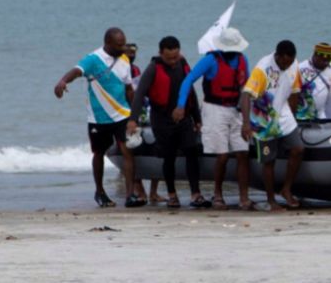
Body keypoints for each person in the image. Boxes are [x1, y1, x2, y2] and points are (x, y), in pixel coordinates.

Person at [54, 27, 146, 208]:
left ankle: (130, 195)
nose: (123, 48)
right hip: (98, 117)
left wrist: (136, 113)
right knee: (99, 153)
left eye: (124, 43)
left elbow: (128, 88)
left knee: (128, 151)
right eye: (119, 45)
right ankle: (100, 192)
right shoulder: (93, 59)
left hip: (122, 115)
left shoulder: (125, 59)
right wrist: (63, 81)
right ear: (108, 43)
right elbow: (76, 70)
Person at [173, 27, 255, 211]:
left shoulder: (243, 59)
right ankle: (218, 194)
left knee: (243, 153)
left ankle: (244, 197)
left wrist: (249, 119)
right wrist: (180, 105)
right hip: (214, 109)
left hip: (236, 109)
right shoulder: (210, 60)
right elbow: (188, 80)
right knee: (223, 155)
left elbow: (247, 89)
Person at [127, 36, 208, 209]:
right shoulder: (153, 68)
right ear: (160, 53)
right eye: (169, 57)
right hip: (162, 119)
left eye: (176, 56)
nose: (173, 61)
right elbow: (139, 94)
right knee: (169, 156)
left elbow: (191, 90)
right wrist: (133, 120)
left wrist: (197, 118)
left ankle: (196, 194)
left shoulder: (182, 63)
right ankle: (172, 195)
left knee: (191, 151)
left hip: (184, 117)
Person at [240, 40, 304, 212]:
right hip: (264, 120)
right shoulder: (263, 69)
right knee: (269, 162)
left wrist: (295, 117)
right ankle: (271, 201)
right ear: (278, 56)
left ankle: (286, 189)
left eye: (291, 62)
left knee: (298, 149)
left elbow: (295, 92)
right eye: (285, 62)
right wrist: (246, 124)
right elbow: (246, 95)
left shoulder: (294, 65)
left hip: (284, 116)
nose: (288, 65)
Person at [126, 42, 165, 204]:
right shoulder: (119, 70)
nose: (131, 55)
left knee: (154, 149)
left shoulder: (136, 70)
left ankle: (153, 192)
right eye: (129, 52)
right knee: (133, 151)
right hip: (126, 114)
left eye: (134, 52)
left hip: (142, 113)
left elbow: (141, 91)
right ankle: (140, 190)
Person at [296, 43, 331, 121]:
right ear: (315, 55)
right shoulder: (300, 68)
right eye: (323, 60)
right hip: (301, 116)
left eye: (328, 60)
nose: (326, 63)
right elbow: (292, 94)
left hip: (321, 116)